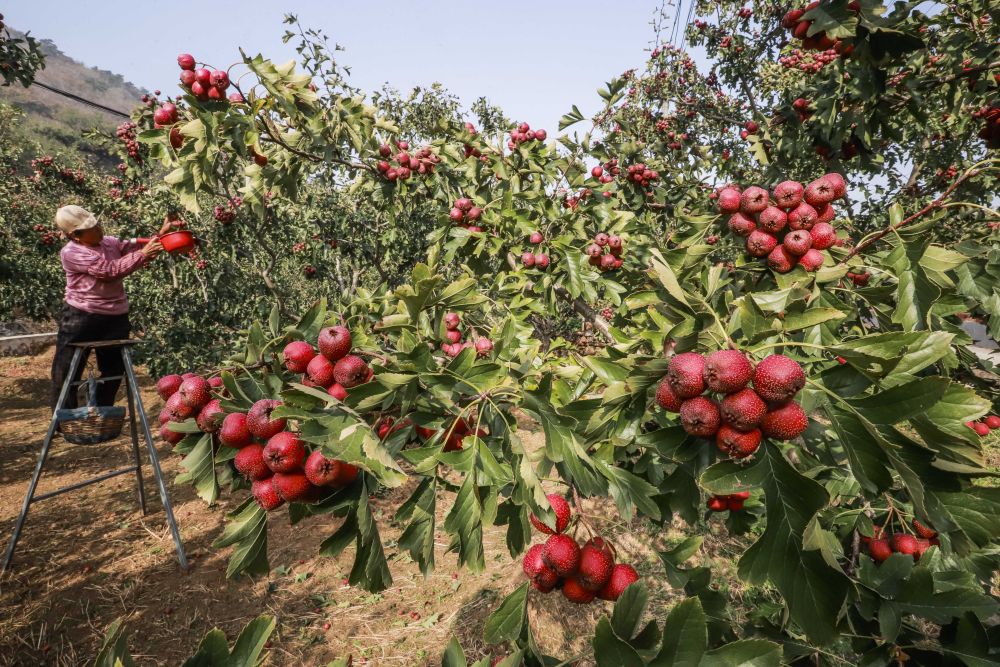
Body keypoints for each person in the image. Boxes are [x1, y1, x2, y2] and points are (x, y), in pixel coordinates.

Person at [49, 204, 171, 411]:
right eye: (93, 228)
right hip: (81, 316)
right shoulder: (72, 252)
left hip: (115, 317)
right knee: (67, 368)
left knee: (115, 369)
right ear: (76, 235)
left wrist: (161, 235)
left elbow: (134, 248)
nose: (99, 230)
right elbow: (108, 270)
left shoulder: (109, 242)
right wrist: (143, 254)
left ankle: (101, 412)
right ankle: (64, 418)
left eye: (98, 225)